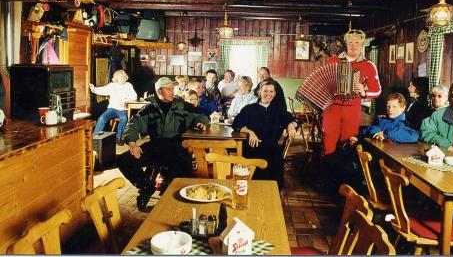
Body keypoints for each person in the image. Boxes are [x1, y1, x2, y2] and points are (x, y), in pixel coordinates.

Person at [117, 77, 210, 211]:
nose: (172, 92)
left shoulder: (182, 105)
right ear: (159, 91)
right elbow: (133, 124)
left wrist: (202, 122)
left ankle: (172, 207)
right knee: (123, 159)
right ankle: (145, 186)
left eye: (173, 89)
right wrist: (131, 142)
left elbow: (201, 115)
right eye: (168, 89)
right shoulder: (148, 108)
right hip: (155, 148)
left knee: (180, 180)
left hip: (178, 149)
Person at [322, 29, 381, 156]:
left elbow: (377, 90)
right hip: (332, 107)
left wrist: (363, 92)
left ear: (362, 44)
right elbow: (322, 81)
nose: (354, 45)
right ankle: (327, 172)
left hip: (353, 109)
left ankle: (345, 173)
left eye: (357, 42)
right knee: (328, 144)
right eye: (350, 42)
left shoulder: (368, 65)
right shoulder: (333, 60)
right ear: (346, 43)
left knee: (348, 144)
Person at [232, 79, 297, 189]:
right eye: (265, 91)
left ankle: (272, 198)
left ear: (275, 94)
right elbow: (236, 123)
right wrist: (250, 132)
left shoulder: (278, 110)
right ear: (259, 92)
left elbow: (292, 120)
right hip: (253, 148)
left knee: (276, 167)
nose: (268, 94)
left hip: (272, 150)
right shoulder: (249, 109)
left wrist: (290, 126)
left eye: (271, 92)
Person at [89, 70, 137, 145]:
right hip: (112, 108)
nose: (123, 79)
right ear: (116, 78)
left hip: (123, 109)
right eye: (121, 78)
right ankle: (95, 137)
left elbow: (134, 96)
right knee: (102, 118)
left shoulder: (128, 85)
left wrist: (126, 101)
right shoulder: (112, 85)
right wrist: (94, 89)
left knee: (124, 118)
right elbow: (103, 90)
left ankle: (119, 138)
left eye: (124, 77)